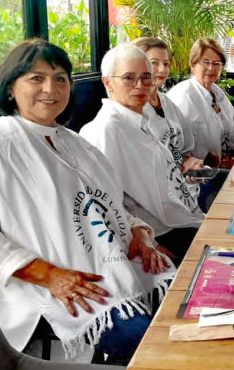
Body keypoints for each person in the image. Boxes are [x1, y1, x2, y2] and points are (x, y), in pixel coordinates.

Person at [0, 39, 173, 362]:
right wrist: (50, 275)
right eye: (36, 78)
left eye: (60, 79)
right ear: (10, 87)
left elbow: (104, 207)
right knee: (143, 340)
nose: (50, 88)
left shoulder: (77, 145)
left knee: (179, 302)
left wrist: (140, 233)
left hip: (110, 265)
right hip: (39, 285)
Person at [80, 44, 204, 264]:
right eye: (129, 78)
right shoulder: (107, 130)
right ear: (107, 82)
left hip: (180, 218)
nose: (140, 85)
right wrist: (148, 239)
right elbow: (104, 201)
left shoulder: (139, 121)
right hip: (160, 234)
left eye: (146, 77)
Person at [167, 38, 234, 168]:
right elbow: (173, 147)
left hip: (221, 168)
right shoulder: (182, 97)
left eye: (216, 63)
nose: (211, 68)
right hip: (196, 173)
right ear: (192, 65)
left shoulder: (217, 93)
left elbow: (229, 136)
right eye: (205, 62)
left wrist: (231, 158)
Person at [132, 37, 204, 172]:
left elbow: (183, 149)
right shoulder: (132, 110)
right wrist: (182, 168)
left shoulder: (167, 103)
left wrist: (189, 164)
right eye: (154, 63)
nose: (162, 69)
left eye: (166, 64)